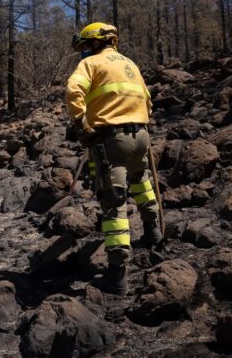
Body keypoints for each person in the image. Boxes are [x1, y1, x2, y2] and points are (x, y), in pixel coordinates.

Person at [65, 22, 162, 295]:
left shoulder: (91, 64)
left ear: (96, 43)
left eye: (85, 46)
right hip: (140, 136)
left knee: (114, 204)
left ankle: (117, 274)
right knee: (142, 183)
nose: (84, 52)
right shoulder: (130, 64)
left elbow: (74, 91)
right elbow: (148, 99)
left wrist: (81, 123)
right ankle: (155, 235)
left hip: (111, 141)